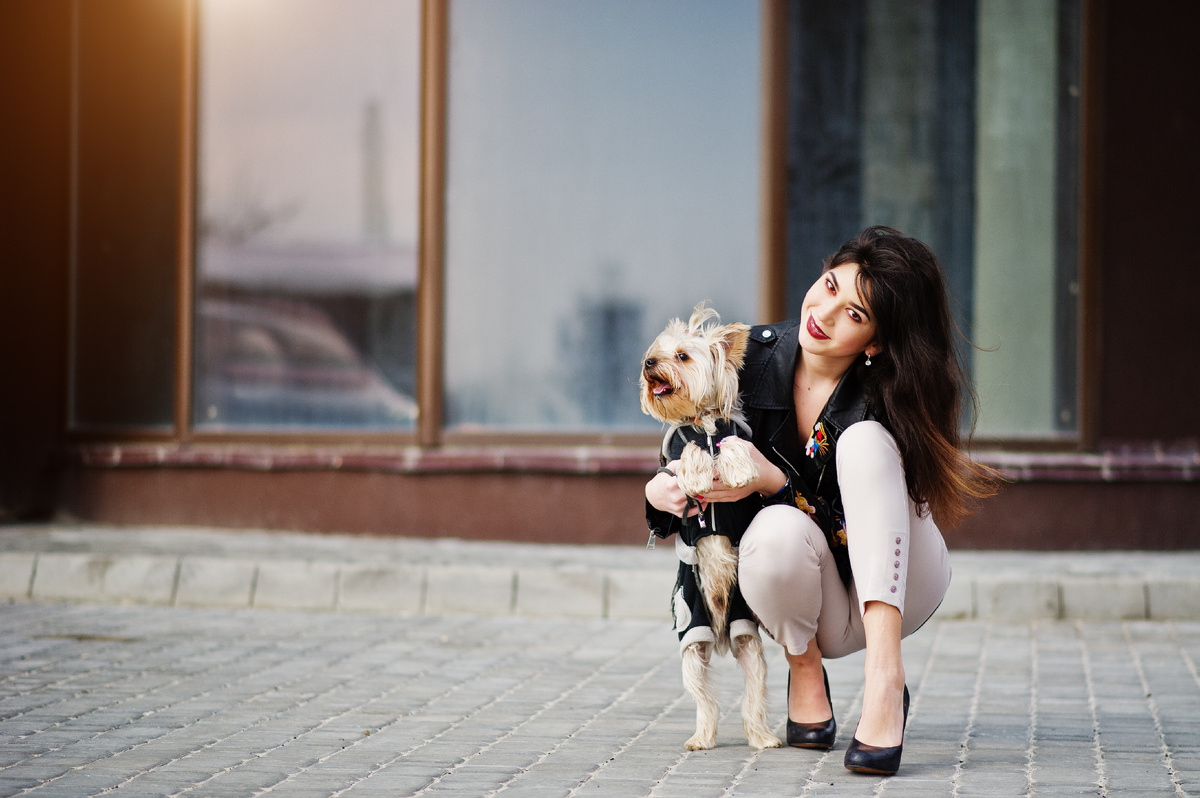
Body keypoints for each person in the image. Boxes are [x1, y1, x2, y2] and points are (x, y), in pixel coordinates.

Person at [644, 226, 996, 776]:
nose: (825, 313)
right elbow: (693, 436)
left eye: (855, 314)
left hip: (902, 579)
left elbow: (864, 523)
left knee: (860, 441)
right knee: (774, 531)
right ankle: (803, 669)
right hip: (818, 597)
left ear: (876, 342)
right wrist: (658, 494)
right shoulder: (750, 361)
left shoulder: (892, 392)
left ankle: (886, 677)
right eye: (830, 285)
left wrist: (773, 482)